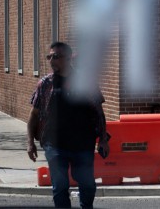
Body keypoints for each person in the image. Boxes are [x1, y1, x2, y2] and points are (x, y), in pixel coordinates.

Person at [26, 42, 110, 209]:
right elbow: (33, 115)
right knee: (60, 186)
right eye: (49, 56)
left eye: (56, 57)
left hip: (83, 143)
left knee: (87, 185)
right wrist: (30, 143)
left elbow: (99, 113)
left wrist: (103, 139)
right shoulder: (45, 84)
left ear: (68, 58)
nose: (51, 60)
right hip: (55, 145)